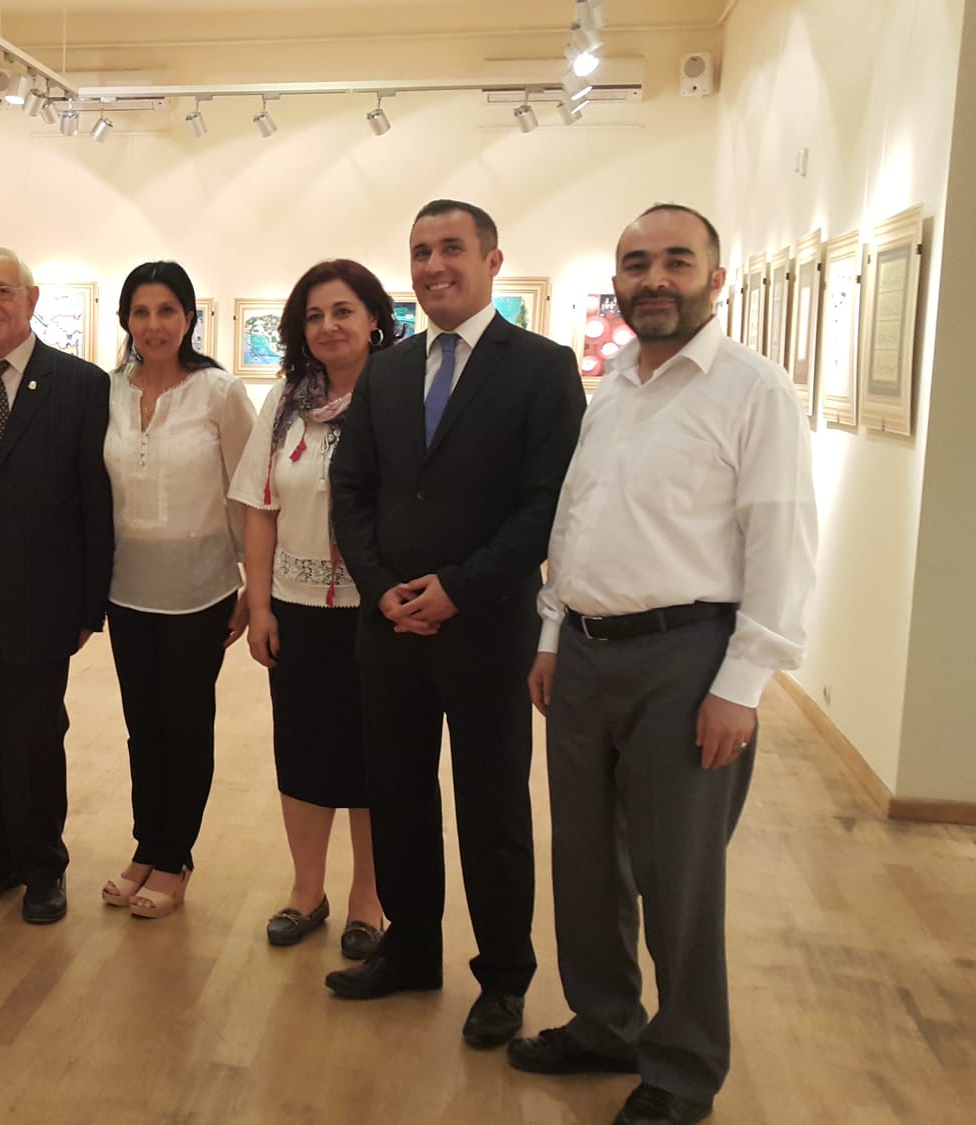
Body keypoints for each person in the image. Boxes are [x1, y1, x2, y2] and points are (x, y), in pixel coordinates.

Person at [509, 204, 816, 1125]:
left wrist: (742, 685)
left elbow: (782, 545)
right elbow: (575, 522)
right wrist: (553, 636)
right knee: (584, 861)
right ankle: (606, 1023)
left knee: (677, 873)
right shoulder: (614, 389)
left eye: (676, 261)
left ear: (715, 280)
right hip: (586, 653)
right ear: (618, 282)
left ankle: (683, 1067)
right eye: (636, 263)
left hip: (689, 658)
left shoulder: (754, 391)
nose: (654, 279)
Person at [326, 200, 585, 1052]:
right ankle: (410, 948)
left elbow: (546, 504)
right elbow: (352, 490)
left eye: (450, 248)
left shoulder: (542, 368)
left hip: (487, 629)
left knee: (492, 808)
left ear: (491, 260)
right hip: (390, 630)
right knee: (398, 795)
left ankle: (504, 975)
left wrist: (460, 589)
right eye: (419, 251)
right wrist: (380, 589)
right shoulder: (388, 371)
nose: (433, 265)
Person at [0, 247, 113, 925]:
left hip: (42, 599)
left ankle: (43, 866)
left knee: (34, 739)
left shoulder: (80, 385)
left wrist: (90, 604)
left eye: (2, 291)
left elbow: (94, 501)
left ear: (32, 299)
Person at [228, 259, 393, 957]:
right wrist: (260, 604)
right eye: (314, 316)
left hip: (377, 609)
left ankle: (369, 901)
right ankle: (306, 891)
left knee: (374, 759)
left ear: (375, 319)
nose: (328, 326)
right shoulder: (285, 403)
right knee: (301, 750)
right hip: (296, 608)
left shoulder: (396, 396)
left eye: (343, 311)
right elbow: (260, 506)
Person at [98, 260, 255, 919]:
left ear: (189, 318)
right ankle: (147, 843)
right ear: (125, 321)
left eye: (167, 310)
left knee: (185, 725)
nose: (154, 324)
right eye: (141, 312)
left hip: (200, 590)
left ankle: (175, 857)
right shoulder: (106, 391)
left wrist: (254, 586)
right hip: (126, 588)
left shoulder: (218, 392)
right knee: (143, 727)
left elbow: (249, 493)